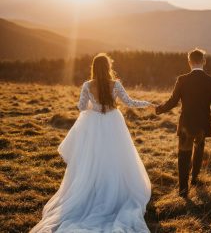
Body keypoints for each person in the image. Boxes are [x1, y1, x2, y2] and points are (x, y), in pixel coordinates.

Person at [30, 53, 153, 233]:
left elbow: (81, 107)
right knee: (116, 157)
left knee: (93, 159)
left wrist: (93, 108)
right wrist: (147, 103)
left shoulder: (87, 85)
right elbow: (129, 102)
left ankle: (96, 188)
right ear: (108, 67)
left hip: (94, 124)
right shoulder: (116, 84)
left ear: (94, 67)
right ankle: (113, 188)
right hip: (113, 123)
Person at [155, 48, 211, 198]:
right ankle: (195, 181)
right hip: (203, 125)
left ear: (189, 62)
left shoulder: (182, 79)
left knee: (183, 157)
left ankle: (183, 190)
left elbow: (173, 102)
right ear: (204, 61)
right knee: (198, 153)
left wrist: (158, 109)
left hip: (186, 125)